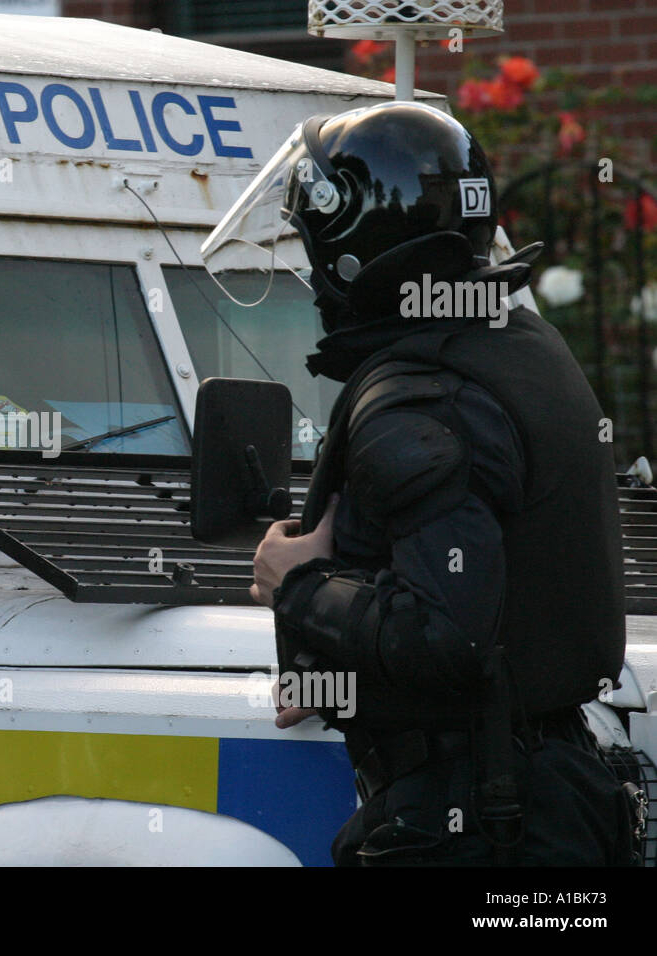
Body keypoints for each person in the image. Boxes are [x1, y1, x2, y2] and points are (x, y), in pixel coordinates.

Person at [214, 101, 639, 865]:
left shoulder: (421, 396)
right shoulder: (517, 344)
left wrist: (301, 585)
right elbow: (498, 596)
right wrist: (333, 681)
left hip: (476, 820)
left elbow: (449, 633)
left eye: (312, 245)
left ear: (349, 250)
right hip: (542, 799)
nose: (310, 270)